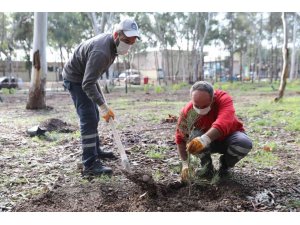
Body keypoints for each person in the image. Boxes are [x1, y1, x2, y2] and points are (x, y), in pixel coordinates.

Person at [62, 18, 140, 176]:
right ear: (116, 35)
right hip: (75, 79)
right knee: (89, 118)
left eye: (132, 42)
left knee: (94, 115)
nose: (129, 45)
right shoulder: (102, 52)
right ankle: (89, 164)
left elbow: (92, 77)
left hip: (85, 78)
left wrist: (102, 105)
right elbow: (87, 83)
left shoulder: (112, 47)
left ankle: (95, 150)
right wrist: (103, 106)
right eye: (126, 40)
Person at [175, 81, 252, 181]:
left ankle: (225, 166)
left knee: (243, 144)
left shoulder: (223, 99)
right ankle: (207, 169)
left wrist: (203, 140)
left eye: (204, 106)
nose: (200, 110)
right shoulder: (187, 110)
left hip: (229, 138)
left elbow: (224, 122)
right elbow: (180, 138)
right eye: (197, 106)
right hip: (206, 145)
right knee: (193, 136)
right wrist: (185, 164)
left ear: (213, 99)